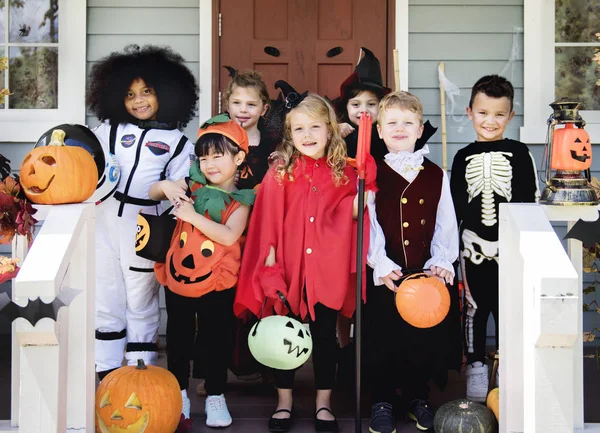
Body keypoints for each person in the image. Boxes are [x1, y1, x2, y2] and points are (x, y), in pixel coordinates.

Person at [234, 93, 372, 433]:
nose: (307, 135)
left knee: (325, 336)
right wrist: (269, 266)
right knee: (284, 335)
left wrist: (363, 195)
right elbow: (267, 219)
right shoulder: (281, 171)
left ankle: (323, 404)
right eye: (298, 129)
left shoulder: (345, 172)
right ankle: (285, 403)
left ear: (330, 130)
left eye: (314, 127)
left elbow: (350, 217)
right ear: (289, 135)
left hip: (326, 268)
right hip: (289, 268)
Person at [86, 44, 198, 380]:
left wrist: (171, 189)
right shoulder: (108, 131)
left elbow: (184, 187)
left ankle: (141, 373)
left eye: (147, 91)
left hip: (146, 226)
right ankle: (105, 373)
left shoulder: (180, 143)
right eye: (130, 93)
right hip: (103, 220)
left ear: (166, 91)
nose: (138, 100)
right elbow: (82, 162)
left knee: (141, 300)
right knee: (106, 297)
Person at [151, 117, 255, 430]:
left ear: (237, 158)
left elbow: (227, 236)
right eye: (204, 157)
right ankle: (178, 393)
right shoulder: (190, 186)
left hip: (218, 282)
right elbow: (154, 191)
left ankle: (215, 394)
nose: (209, 164)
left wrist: (192, 216)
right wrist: (166, 186)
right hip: (179, 276)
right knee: (179, 337)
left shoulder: (240, 202)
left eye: (218, 155)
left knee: (216, 338)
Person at [365, 91, 460, 432]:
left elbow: (445, 221)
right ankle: (383, 399)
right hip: (386, 274)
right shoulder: (371, 173)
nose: (400, 128)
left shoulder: (436, 174)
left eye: (408, 122)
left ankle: (418, 397)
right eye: (392, 122)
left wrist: (442, 259)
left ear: (420, 129)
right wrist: (380, 261)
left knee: (421, 340)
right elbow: (369, 222)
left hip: (423, 274)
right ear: (379, 130)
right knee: (384, 339)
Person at [450, 74, 539, 402]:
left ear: (511, 117)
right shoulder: (461, 158)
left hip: (510, 250)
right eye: (483, 113)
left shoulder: (519, 153)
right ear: (470, 112)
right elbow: (456, 208)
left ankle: (505, 370)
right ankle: (475, 369)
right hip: (471, 249)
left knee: (508, 309)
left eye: (499, 114)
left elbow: (529, 201)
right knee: (473, 310)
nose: (490, 121)